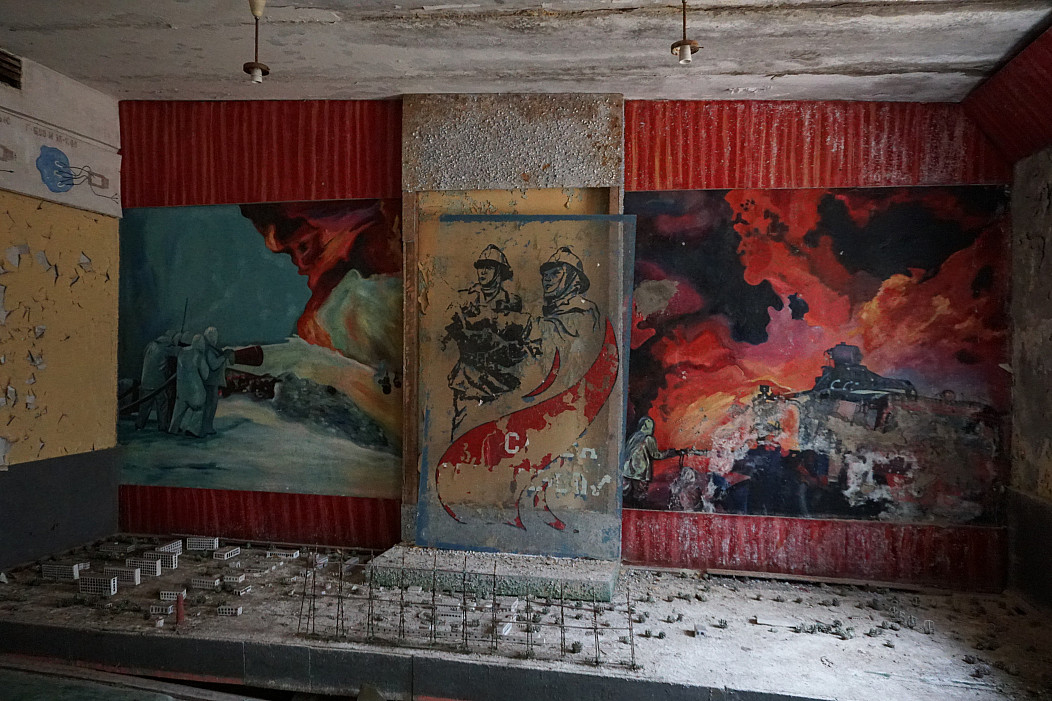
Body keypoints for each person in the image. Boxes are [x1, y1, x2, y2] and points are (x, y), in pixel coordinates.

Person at [442, 245, 531, 437]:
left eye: (488, 268)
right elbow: (449, 329)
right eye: (480, 267)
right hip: (469, 379)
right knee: (464, 432)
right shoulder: (465, 299)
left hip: (500, 380)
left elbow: (515, 338)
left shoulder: (512, 301)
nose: (482, 272)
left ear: (499, 272)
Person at [539, 246, 599, 342]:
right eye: (545, 275)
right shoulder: (547, 310)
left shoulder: (584, 311)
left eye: (555, 273)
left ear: (571, 277)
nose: (547, 279)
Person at [621, 416, 679, 507]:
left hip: (627, 470)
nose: (652, 428)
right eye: (651, 426)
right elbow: (656, 455)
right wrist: (672, 453)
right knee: (639, 496)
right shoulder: (649, 439)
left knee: (626, 495)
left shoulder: (634, 437)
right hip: (641, 472)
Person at [135, 329, 178, 431]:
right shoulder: (166, 348)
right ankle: (162, 427)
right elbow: (179, 352)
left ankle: (139, 425)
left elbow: (143, 354)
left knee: (145, 405)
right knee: (162, 403)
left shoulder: (151, 345)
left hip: (145, 380)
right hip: (158, 384)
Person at [169, 334, 209, 437]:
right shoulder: (199, 355)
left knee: (178, 411)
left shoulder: (181, 352)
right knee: (199, 408)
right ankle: (192, 430)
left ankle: (173, 429)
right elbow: (205, 375)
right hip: (195, 391)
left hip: (181, 389)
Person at [201, 326, 235, 436]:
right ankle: (206, 426)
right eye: (213, 335)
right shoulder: (208, 350)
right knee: (210, 405)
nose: (215, 337)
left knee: (211, 405)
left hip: (212, 381)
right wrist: (224, 356)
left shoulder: (212, 349)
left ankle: (207, 426)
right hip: (210, 382)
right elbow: (214, 365)